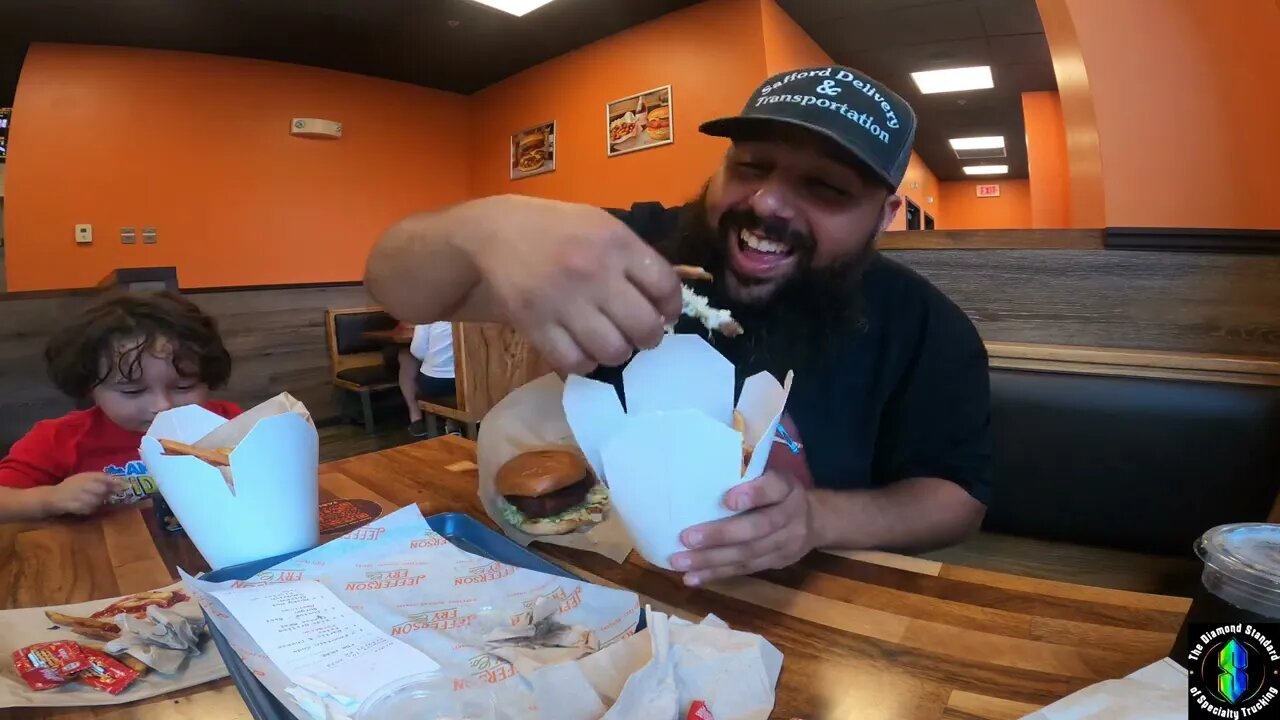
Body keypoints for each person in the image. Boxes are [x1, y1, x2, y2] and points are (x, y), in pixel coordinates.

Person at [364, 65, 991, 586]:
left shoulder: (926, 327)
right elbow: (393, 282)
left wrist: (818, 519)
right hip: (603, 577)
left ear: (885, 215)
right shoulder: (627, 250)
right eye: (750, 166)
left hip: (815, 599)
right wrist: (485, 228)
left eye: (824, 187)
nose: (767, 203)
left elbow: (957, 499)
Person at [0, 292, 242, 522]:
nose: (163, 406)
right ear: (90, 386)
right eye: (133, 391)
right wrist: (48, 499)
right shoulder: (58, 439)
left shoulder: (227, 422)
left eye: (184, 387)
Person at [400, 321, 457, 437]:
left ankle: (416, 418)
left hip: (436, 384)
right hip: (474, 382)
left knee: (405, 356)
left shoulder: (429, 314)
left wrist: (434, 358)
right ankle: (452, 422)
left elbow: (417, 350)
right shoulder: (476, 310)